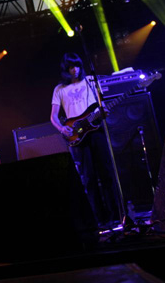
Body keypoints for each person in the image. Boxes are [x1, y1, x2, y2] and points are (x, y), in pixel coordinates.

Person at [50, 53, 119, 228]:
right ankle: (99, 220)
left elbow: (101, 104)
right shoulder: (59, 89)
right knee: (89, 178)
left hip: (96, 131)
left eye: (77, 66)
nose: (75, 70)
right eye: (71, 67)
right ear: (66, 70)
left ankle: (115, 216)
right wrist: (62, 128)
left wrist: (104, 112)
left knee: (106, 173)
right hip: (77, 135)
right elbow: (53, 116)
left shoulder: (90, 81)